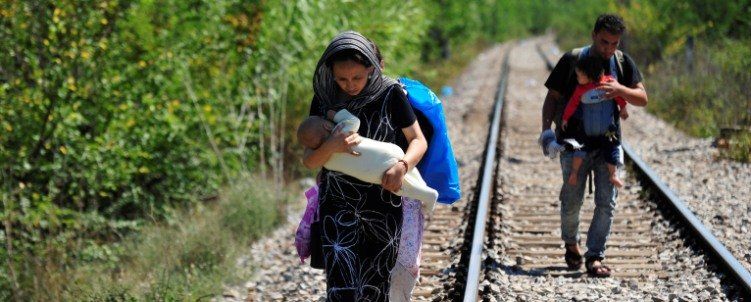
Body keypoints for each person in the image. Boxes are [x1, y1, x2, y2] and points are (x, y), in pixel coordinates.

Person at [303, 31, 428, 301]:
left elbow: (418, 140)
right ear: (330, 73)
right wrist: (331, 146)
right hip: (337, 206)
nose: (350, 85)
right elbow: (310, 160)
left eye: (357, 77)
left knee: (375, 285)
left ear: (371, 67)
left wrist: (403, 166)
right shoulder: (324, 100)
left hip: (384, 203)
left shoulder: (390, 93)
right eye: (342, 79)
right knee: (341, 288)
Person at [540, 14, 648, 277]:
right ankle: (571, 243)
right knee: (571, 200)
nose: (608, 49)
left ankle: (595, 256)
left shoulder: (622, 63)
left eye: (614, 43)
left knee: (606, 203)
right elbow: (552, 98)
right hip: (574, 145)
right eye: (603, 42)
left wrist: (621, 90)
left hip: (608, 145)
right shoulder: (572, 60)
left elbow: (642, 98)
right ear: (593, 35)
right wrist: (546, 132)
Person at [297, 110, 438, 210]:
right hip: (389, 151)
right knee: (407, 176)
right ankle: (425, 189)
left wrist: (324, 150)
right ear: (327, 125)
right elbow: (354, 120)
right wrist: (334, 115)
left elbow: (315, 164)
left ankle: (428, 194)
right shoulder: (341, 130)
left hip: (377, 172)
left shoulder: (326, 158)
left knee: (402, 188)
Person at [560, 55, 629, 188]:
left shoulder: (608, 83)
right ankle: (574, 173)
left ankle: (613, 174)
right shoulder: (580, 89)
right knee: (579, 148)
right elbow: (572, 104)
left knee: (611, 148)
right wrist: (565, 118)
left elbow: (618, 95)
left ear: (589, 75)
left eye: (579, 75)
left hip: (607, 129)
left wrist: (623, 107)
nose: (577, 78)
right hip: (587, 129)